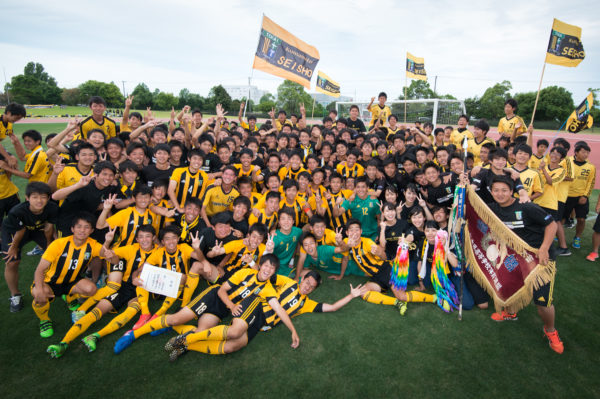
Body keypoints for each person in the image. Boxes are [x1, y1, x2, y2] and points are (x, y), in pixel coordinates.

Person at [113, 254, 293, 354]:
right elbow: (222, 290)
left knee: (202, 332)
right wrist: (231, 306)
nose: (267, 270)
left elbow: (279, 309)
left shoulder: (268, 289)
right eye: (266, 266)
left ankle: (180, 337)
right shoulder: (245, 272)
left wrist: (293, 331)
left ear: (273, 272)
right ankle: (133, 335)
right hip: (214, 297)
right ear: (260, 265)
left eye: (271, 268)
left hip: (221, 311)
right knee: (176, 318)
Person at [167, 271, 365, 361]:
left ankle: (186, 341)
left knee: (233, 345)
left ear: (313, 290)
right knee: (234, 331)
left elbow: (331, 307)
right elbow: (264, 274)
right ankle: (186, 339)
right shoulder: (286, 282)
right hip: (256, 306)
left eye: (311, 287)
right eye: (307, 282)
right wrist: (253, 263)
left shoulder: (306, 304)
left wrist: (351, 295)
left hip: (261, 323)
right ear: (302, 278)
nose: (307, 287)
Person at [46, 224, 159, 358]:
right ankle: (63, 343)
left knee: (131, 310)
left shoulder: (160, 251)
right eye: (141, 237)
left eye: (147, 236)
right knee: (97, 311)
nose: (144, 240)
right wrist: (109, 246)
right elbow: (111, 256)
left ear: (154, 238)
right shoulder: (131, 249)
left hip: (142, 291)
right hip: (125, 287)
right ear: (137, 239)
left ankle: (95, 336)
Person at [487, 175, 563, 354]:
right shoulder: (491, 209)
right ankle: (510, 312)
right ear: (491, 192)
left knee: (542, 302)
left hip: (540, 258)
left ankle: (550, 331)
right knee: (507, 285)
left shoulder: (527, 207)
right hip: (514, 257)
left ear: (512, 191)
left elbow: (551, 225)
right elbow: (470, 206)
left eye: (504, 190)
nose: (500, 194)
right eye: (496, 190)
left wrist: (544, 248)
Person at [336, 219, 451, 316]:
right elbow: (344, 248)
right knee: (363, 293)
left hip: (386, 270)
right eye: (351, 230)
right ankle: (396, 303)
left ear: (361, 231)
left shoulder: (366, 242)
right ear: (347, 232)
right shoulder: (347, 242)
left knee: (402, 296)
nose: (354, 232)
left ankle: (436, 298)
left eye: (357, 229)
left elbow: (384, 255)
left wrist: (379, 252)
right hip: (376, 276)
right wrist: (340, 242)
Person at [31, 212, 111, 338]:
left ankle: (70, 298)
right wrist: (40, 289)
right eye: (79, 227)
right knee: (39, 295)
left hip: (71, 281)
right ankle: (44, 320)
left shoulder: (92, 244)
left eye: (86, 227)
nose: (82, 230)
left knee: (91, 289)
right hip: (49, 282)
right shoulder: (58, 244)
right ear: (72, 229)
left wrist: (108, 241)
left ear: (91, 230)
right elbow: (39, 270)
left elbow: (111, 257)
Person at [2, 182, 58, 312]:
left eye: (43, 197)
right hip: (14, 232)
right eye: (35, 197)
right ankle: (15, 295)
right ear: (27, 198)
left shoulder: (52, 208)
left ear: (48, 198)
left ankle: (53, 286)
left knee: (56, 255)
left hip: (38, 228)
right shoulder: (17, 211)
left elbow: (49, 227)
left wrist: (49, 244)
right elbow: (20, 231)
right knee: (12, 262)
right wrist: (14, 247)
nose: (39, 200)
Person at [564, 143, 595, 249]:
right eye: (583, 152)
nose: (586, 154)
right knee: (562, 218)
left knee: (581, 219)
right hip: (566, 195)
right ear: (576, 152)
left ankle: (577, 238)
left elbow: (591, 182)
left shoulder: (590, 167)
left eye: (587, 152)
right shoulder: (566, 161)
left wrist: (585, 196)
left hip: (581, 197)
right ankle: (557, 235)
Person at [335, 176, 381, 240]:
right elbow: (336, 214)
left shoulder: (374, 201)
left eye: (363, 187)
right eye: (358, 187)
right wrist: (336, 205)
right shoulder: (351, 200)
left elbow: (379, 219)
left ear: (367, 188)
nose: (360, 189)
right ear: (355, 188)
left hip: (373, 234)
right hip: (357, 235)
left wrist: (378, 234)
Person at [167, 148, 209, 214]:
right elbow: (170, 190)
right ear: (189, 159)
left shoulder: (204, 176)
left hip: (193, 212)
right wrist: (178, 208)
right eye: (195, 158)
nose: (197, 162)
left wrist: (219, 180)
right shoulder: (178, 171)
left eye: (200, 159)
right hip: (178, 208)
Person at [271, 208, 303, 277]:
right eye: (283, 219)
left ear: (293, 221)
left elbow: (299, 241)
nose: (286, 222)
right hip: (275, 265)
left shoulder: (297, 231)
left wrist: (293, 258)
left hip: (288, 264)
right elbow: (266, 255)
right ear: (279, 222)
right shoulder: (274, 237)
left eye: (289, 219)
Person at [0, 103, 27, 168]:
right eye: (16, 118)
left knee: (13, 162)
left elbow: (14, 139)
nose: (17, 120)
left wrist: (23, 154)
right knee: (6, 162)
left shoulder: (9, 124)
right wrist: (8, 158)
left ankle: (7, 178)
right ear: (9, 113)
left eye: (19, 119)